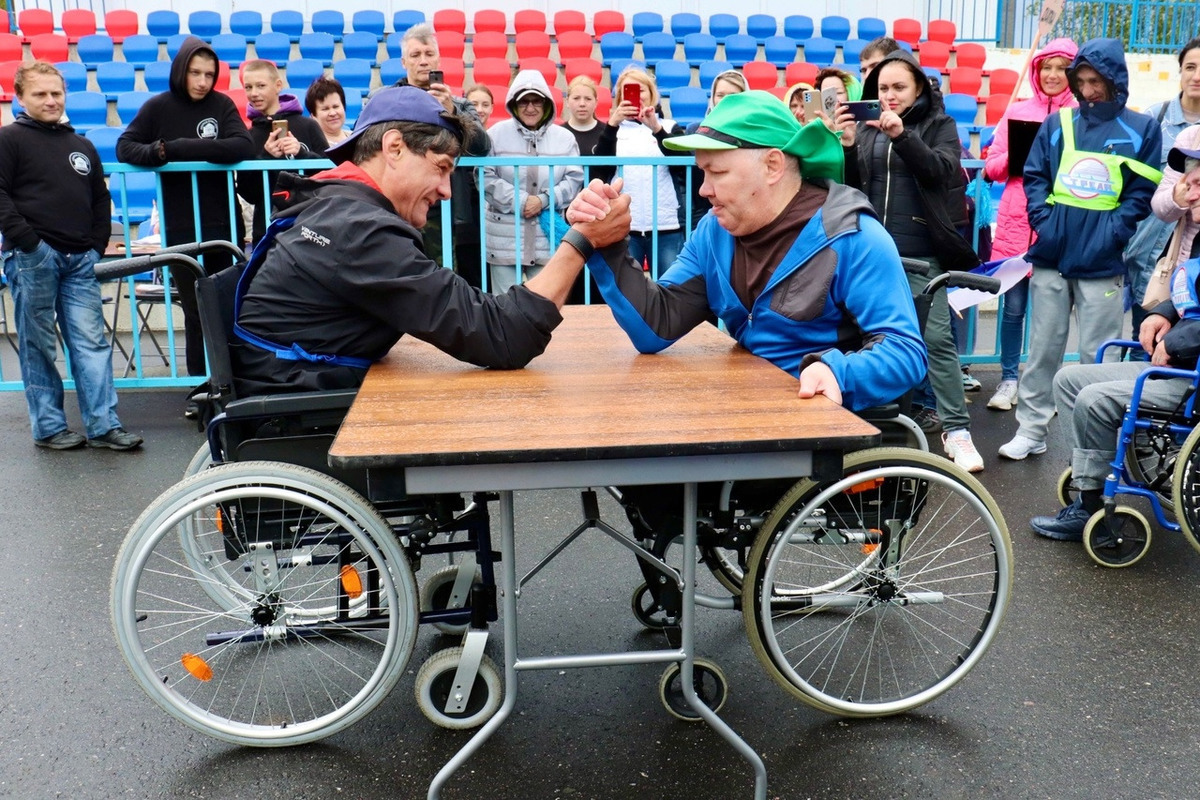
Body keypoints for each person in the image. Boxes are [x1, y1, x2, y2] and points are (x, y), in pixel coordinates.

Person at [231, 86, 629, 395]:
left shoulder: (335, 206)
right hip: (299, 409)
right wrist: (581, 240)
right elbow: (503, 336)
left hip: (284, 386)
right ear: (394, 148)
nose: (446, 190)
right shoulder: (358, 230)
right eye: (441, 169)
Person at [566, 90, 926, 412]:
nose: (703, 190)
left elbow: (906, 353)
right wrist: (606, 243)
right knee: (650, 479)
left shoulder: (854, 237)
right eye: (701, 173)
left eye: (716, 172)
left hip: (816, 431)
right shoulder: (713, 231)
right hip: (744, 415)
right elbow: (656, 325)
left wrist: (837, 371)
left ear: (772, 166)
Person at [998, 38, 1162, 461]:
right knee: (1043, 351)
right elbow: (1034, 176)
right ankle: (1032, 429)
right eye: (1082, 80)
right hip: (1052, 257)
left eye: (1097, 81)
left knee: (1098, 358)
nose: (1088, 90)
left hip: (1103, 263)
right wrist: (1045, 225)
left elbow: (1142, 193)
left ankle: (1094, 447)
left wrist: (1112, 233)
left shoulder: (1142, 128)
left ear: (1116, 81)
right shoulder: (1059, 124)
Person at [1027, 144, 1200, 541]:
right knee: (1070, 380)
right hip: (1180, 365)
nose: (1188, 191)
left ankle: (1092, 507)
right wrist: (1165, 313)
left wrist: (1176, 339)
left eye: (1199, 183)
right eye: (1188, 181)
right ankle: (1095, 478)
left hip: (1190, 376)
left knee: (1095, 399)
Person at [835, 48, 985, 472]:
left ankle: (957, 431)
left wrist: (903, 136)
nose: (889, 95)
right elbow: (852, 186)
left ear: (918, 86)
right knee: (867, 338)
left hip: (922, 251)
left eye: (899, 87)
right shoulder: (866, 129)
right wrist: (848, 146)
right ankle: (870, 426)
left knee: (936, 339)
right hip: (873, 252)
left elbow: (942, 171)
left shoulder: (940, 125)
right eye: (882, 88)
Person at [0, 62, 143, 451]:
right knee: (39, 344)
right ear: (21, 97)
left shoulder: (81, 145)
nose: (50, 100)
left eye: (56, 93)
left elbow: (100, 197)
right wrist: (30, 243)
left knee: (90, 343)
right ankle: (48, 427)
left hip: (80, 260)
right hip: (33, 258)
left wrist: (95, 245)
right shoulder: (9, 139)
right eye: (40, 94)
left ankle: (104, 425)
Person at [117, 36, 255, 382]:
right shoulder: (158, 107)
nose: (202, 82)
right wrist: (161, 153)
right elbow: (125, 148)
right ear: (181, 70)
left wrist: (179, 148)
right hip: (180, 226)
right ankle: (200, 384)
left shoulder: (222, 105)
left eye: (209, 74)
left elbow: (242, 145)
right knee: (195, 310)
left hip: (224, 225)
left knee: (226, 305)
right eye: (195, 73)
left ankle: (234, 381)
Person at [982, 38, 1079, 412]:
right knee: (1013, 309)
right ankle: (1008, 379)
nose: (1053, 75)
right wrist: (1016, 159)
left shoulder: (1081, 116)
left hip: (1056, 225)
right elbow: (991, 166)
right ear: (1037, 71)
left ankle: (1041, 386)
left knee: (1051, 315)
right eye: (1046, 67)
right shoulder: (1019, 110)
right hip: (1015, 225)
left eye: (1061, 67)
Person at [388, 23, 491, 271]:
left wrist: (452, 112)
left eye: (429, 54)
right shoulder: (386, 101)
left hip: (441, 206)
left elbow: (482, 147)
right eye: (415, 55)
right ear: (404, 62)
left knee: (441, 278)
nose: (423, 61)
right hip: (396, 203)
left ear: (438, 59)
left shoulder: (460, 105)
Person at [1122, 37, 1200, 345]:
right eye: (1190, 67)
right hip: (1153, 247)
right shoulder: (1158, 118)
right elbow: (1150, 193)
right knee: (1146, 331)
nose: (1197, 76)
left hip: (1191, 258)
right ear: (1179, 72)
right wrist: (1178, 199)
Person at [483, 70, 583, 294]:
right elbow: (485, 178)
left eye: (536, 101)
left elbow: (574, 178)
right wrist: (521, 201)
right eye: (523, 101)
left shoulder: (565, 138)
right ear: (513, 104)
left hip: (546, 239)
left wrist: (544, 200)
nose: (530, 108)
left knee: (544, 307)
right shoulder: (495, 135)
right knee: (504, 308)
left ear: (546, 104)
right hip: (504, 239)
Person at [593, 67, 685, 276]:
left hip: (666, 225)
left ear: (651, 94)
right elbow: (600, 169)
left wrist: (657, 129)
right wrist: (612, 125)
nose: (635, 96)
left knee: (669, 289)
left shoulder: (670, 126)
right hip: (625, 224)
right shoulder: (611, 130)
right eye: (626, 91)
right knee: (628, 289)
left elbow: (682, 165)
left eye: (640, 90)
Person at [236, 59, 328, 245]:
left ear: (278, 85)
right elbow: (248, 193)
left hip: (310, 225)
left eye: (261, 86)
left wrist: (302, 154)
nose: (254, 93)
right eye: (248, 87)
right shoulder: (249, 135)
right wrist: (264, 157)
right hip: (267, 231)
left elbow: (331, 173)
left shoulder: (308, 126)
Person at [682, 69, 745, 226]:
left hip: (740, 207)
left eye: (732, 96)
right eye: (720, 95)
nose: (724, 101)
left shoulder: (753, 133)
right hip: (701, 210)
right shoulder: (695, 130)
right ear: (713, 98)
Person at [559, 75, 603, 157]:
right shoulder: (558, 133)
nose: (582, 104)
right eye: (576, 98)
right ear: (567, 101)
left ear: (596, 102)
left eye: (588, 99)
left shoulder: (606, 133)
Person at [305, 76, 351, 146]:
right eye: (325, 109)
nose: (332, 113)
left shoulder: (359, 139)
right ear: (313, 116)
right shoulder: (310, 146)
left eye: (336, 107)